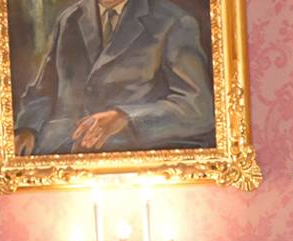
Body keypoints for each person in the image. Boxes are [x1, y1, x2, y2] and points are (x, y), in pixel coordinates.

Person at [14, 0, 216, 154]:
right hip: (61, 155)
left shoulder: (173, 21)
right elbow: (42, 91)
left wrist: (125, 117)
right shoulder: (69, 19)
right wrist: (27, 128)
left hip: (133, 159)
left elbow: (198, 108)